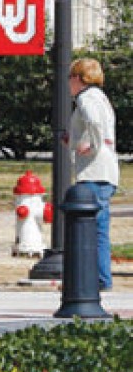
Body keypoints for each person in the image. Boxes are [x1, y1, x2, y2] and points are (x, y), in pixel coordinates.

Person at [69, 58, 119, 291]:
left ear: (78, 79)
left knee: (91, 228)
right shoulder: (101, 97)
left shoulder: (85, 98)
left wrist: (91, 146)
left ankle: (97, 278)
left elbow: (94, 123)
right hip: (107, 171)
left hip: (93, 172)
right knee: (100, 228)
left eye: (71, 78)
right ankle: (102, 276)